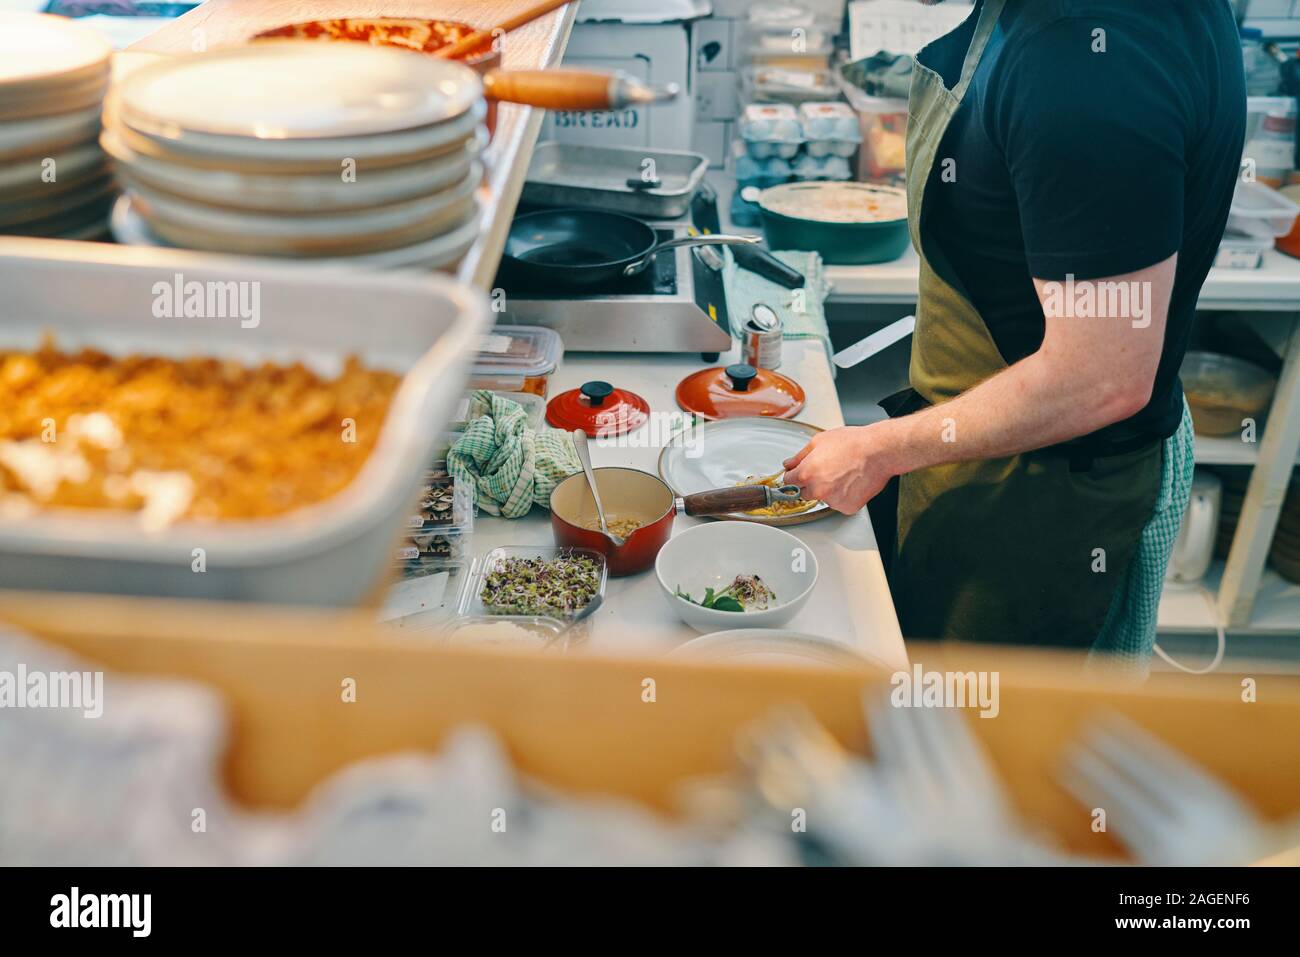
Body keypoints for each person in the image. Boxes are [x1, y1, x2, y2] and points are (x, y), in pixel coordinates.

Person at [783, 0, 1246, 648]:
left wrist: (879, 450)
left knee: (988, 743)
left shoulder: (1086, 58)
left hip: (1039, 508)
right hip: (983, 465)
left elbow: (1101, 375)